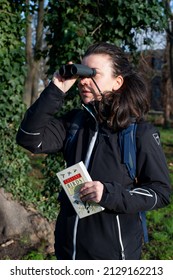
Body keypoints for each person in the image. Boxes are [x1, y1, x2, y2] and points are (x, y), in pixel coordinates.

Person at [16, 42, 171, 260]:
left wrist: (108, 194)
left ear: (118, 82)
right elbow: (28, 137)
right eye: (82, 74)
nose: (84, 81)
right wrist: (56, 88)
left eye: (93, 74)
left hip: (114, 257)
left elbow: (161, 193)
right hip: (68, 251)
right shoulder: (75, 124)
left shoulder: (139, 133)